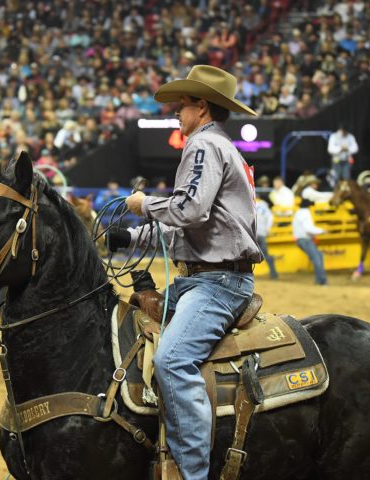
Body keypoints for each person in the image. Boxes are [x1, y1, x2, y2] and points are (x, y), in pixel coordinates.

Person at [107, 65, 262, 479]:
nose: (176, 111)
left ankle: (193, 474)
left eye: (183, 104)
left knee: (172, 359)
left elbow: (190, 210)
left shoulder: (203, 147)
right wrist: (128, 238)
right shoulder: (220, 147)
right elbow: (189, 228)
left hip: (217, 283)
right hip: (205, 276)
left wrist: (143, 205)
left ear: (203, 108)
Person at [292, 198, 327, 285]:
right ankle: (321, 281)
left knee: (318, 256)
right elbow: (308, 229)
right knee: (317, 258)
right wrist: (322, 230)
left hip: (300, 239)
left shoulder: (298, 213)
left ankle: (319, 280)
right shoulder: (305, 213)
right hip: (305, 239)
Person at [256, 197, 279, 279]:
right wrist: (267, 230)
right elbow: (270, 218)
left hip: (252, 233)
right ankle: (274, 273)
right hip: (261, 233)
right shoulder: (265, 207)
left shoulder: (253, 203)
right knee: (265, 254)